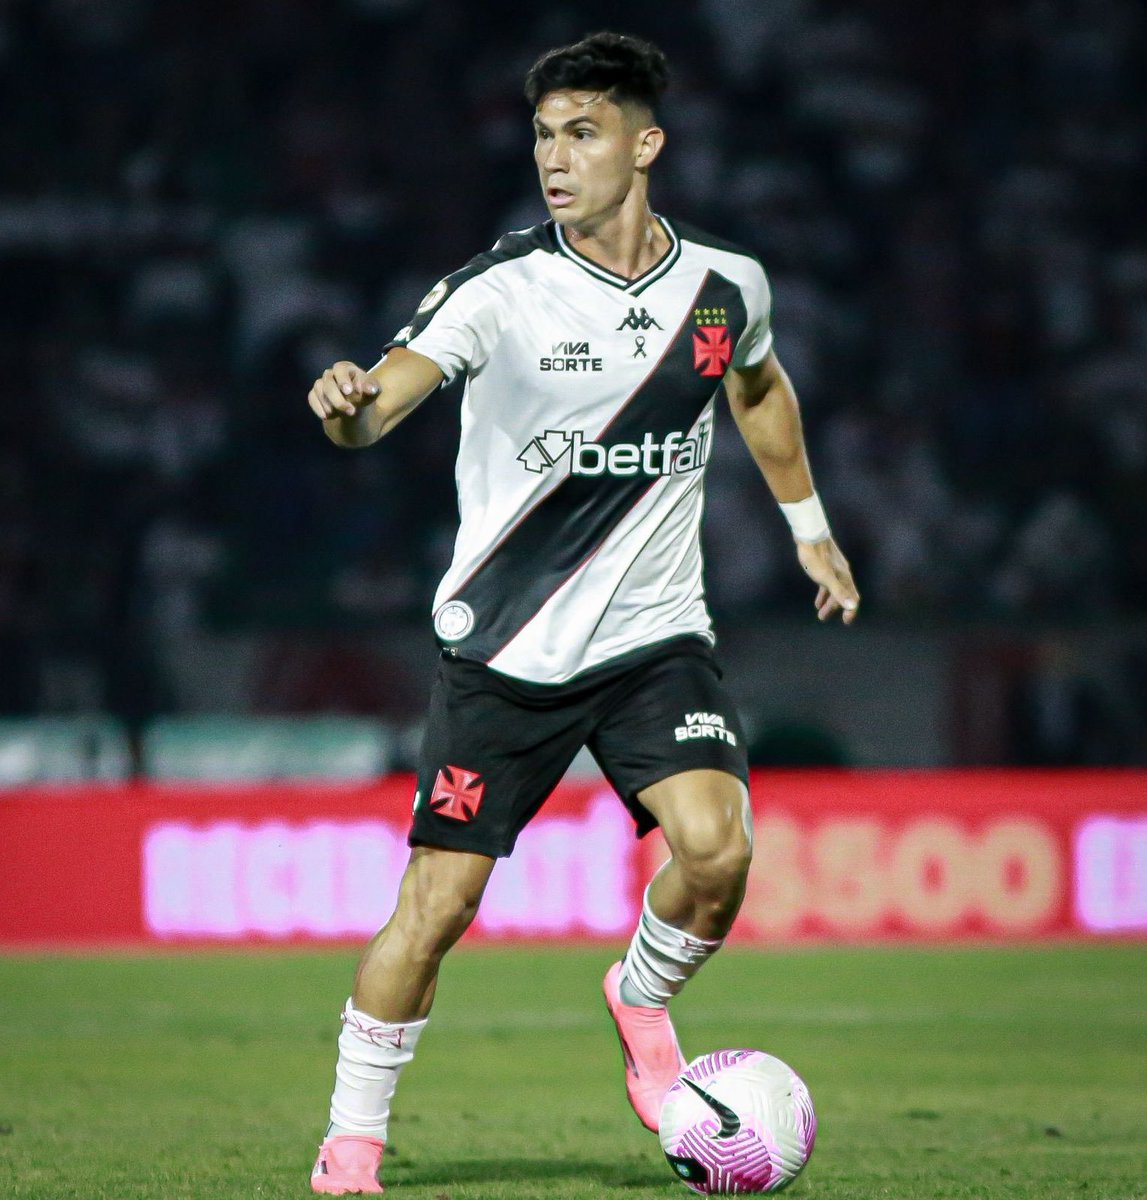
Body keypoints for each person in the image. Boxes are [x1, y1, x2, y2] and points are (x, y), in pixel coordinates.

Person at [305, 31, 859, 1195]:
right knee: (437, 908)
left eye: (582, 133)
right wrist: (349, 405)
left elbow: (758, 388)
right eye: (544, 136)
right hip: (506, 652)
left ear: (644, 145)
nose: (555, 159)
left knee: (717, 854)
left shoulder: (726, 287)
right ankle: (352, 1142)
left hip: (655, 641)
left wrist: (809, 528)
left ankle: (639, 996)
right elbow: (384, 399)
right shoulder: (498, 291)